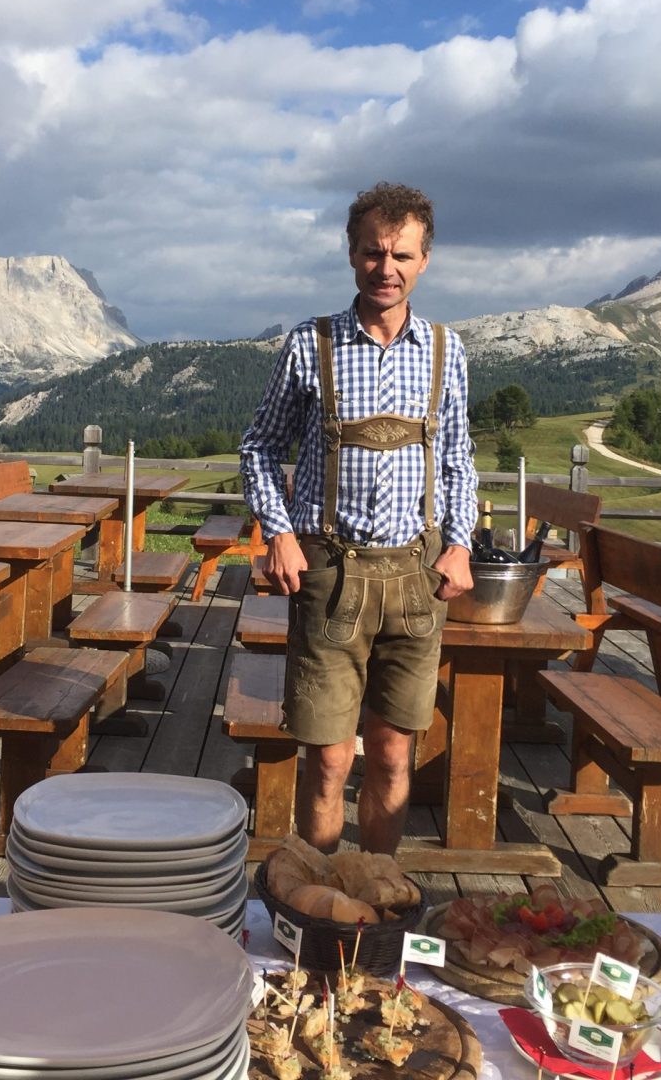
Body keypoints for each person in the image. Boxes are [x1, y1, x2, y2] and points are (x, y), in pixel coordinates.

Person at [239, 182, 477, 856]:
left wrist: (459, 544)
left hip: (416, 579)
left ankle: (372, 894)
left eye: (402, 254)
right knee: (329, 761)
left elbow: (458, 457)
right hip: (330, 574)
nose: (387, 268)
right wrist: (279, 533)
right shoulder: (308, 345)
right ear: (351, 254)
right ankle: (318, 912)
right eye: (373, 252)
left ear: (425, 259)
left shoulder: (444, 351)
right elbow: (258, 446)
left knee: (395, 755)